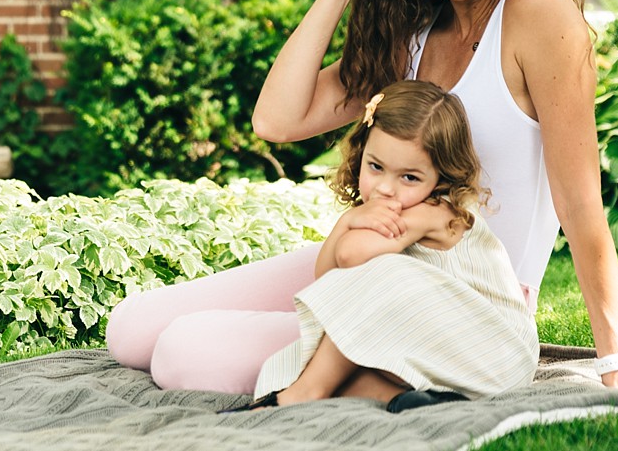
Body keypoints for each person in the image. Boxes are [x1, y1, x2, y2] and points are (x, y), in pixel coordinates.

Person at [106, 0, 618, 395]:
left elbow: (580, 202)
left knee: (184, 355)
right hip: (379, 262)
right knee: (131, 329)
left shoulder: (537, 10)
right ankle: (339, 355)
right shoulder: (411, 33)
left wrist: (616, 367)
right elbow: (276, 121)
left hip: (458, 304)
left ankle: (345, 365)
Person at [223, 79, 538, 412]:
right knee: (290, 366)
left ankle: (302, 395)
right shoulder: (390, 209)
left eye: (409, 177)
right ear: (362, 154)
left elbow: (349, 256)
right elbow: (328, 277)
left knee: (384, 272)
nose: (387, 188)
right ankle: (417, 401)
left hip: (498, 351)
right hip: (447, 355)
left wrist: (350, 224)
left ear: (442, 179)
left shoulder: (439, 211)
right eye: (376, 167)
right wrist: (348, 221)